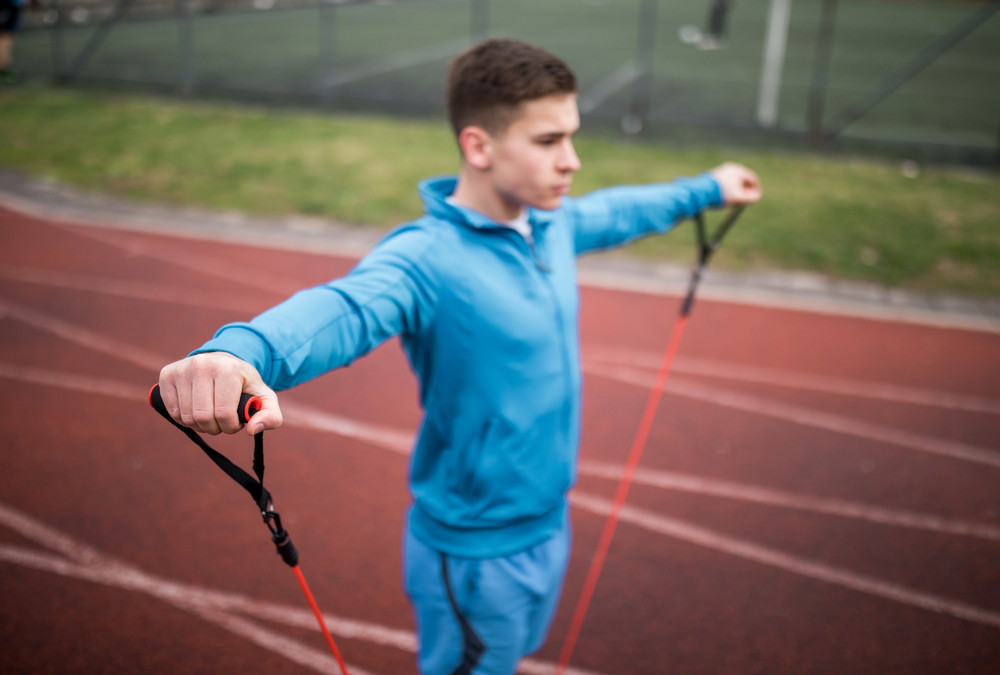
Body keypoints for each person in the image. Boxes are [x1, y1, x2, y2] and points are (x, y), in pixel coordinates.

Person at [158, 38, 761, 675]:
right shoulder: (426, 258)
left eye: (572, 137)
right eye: (549, 141)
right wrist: (236, 352)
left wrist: (708, 188)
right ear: (479, 146)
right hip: (475, 555)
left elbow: (619, 211)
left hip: (549, 523)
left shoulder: (549, 221)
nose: (572, 161)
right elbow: (345, 308)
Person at [0, 0, 30, 84]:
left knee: (6, 42)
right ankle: (5, 71)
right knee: (5, 42)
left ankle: (5, 70)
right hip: (9, 11)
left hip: (11, 12)